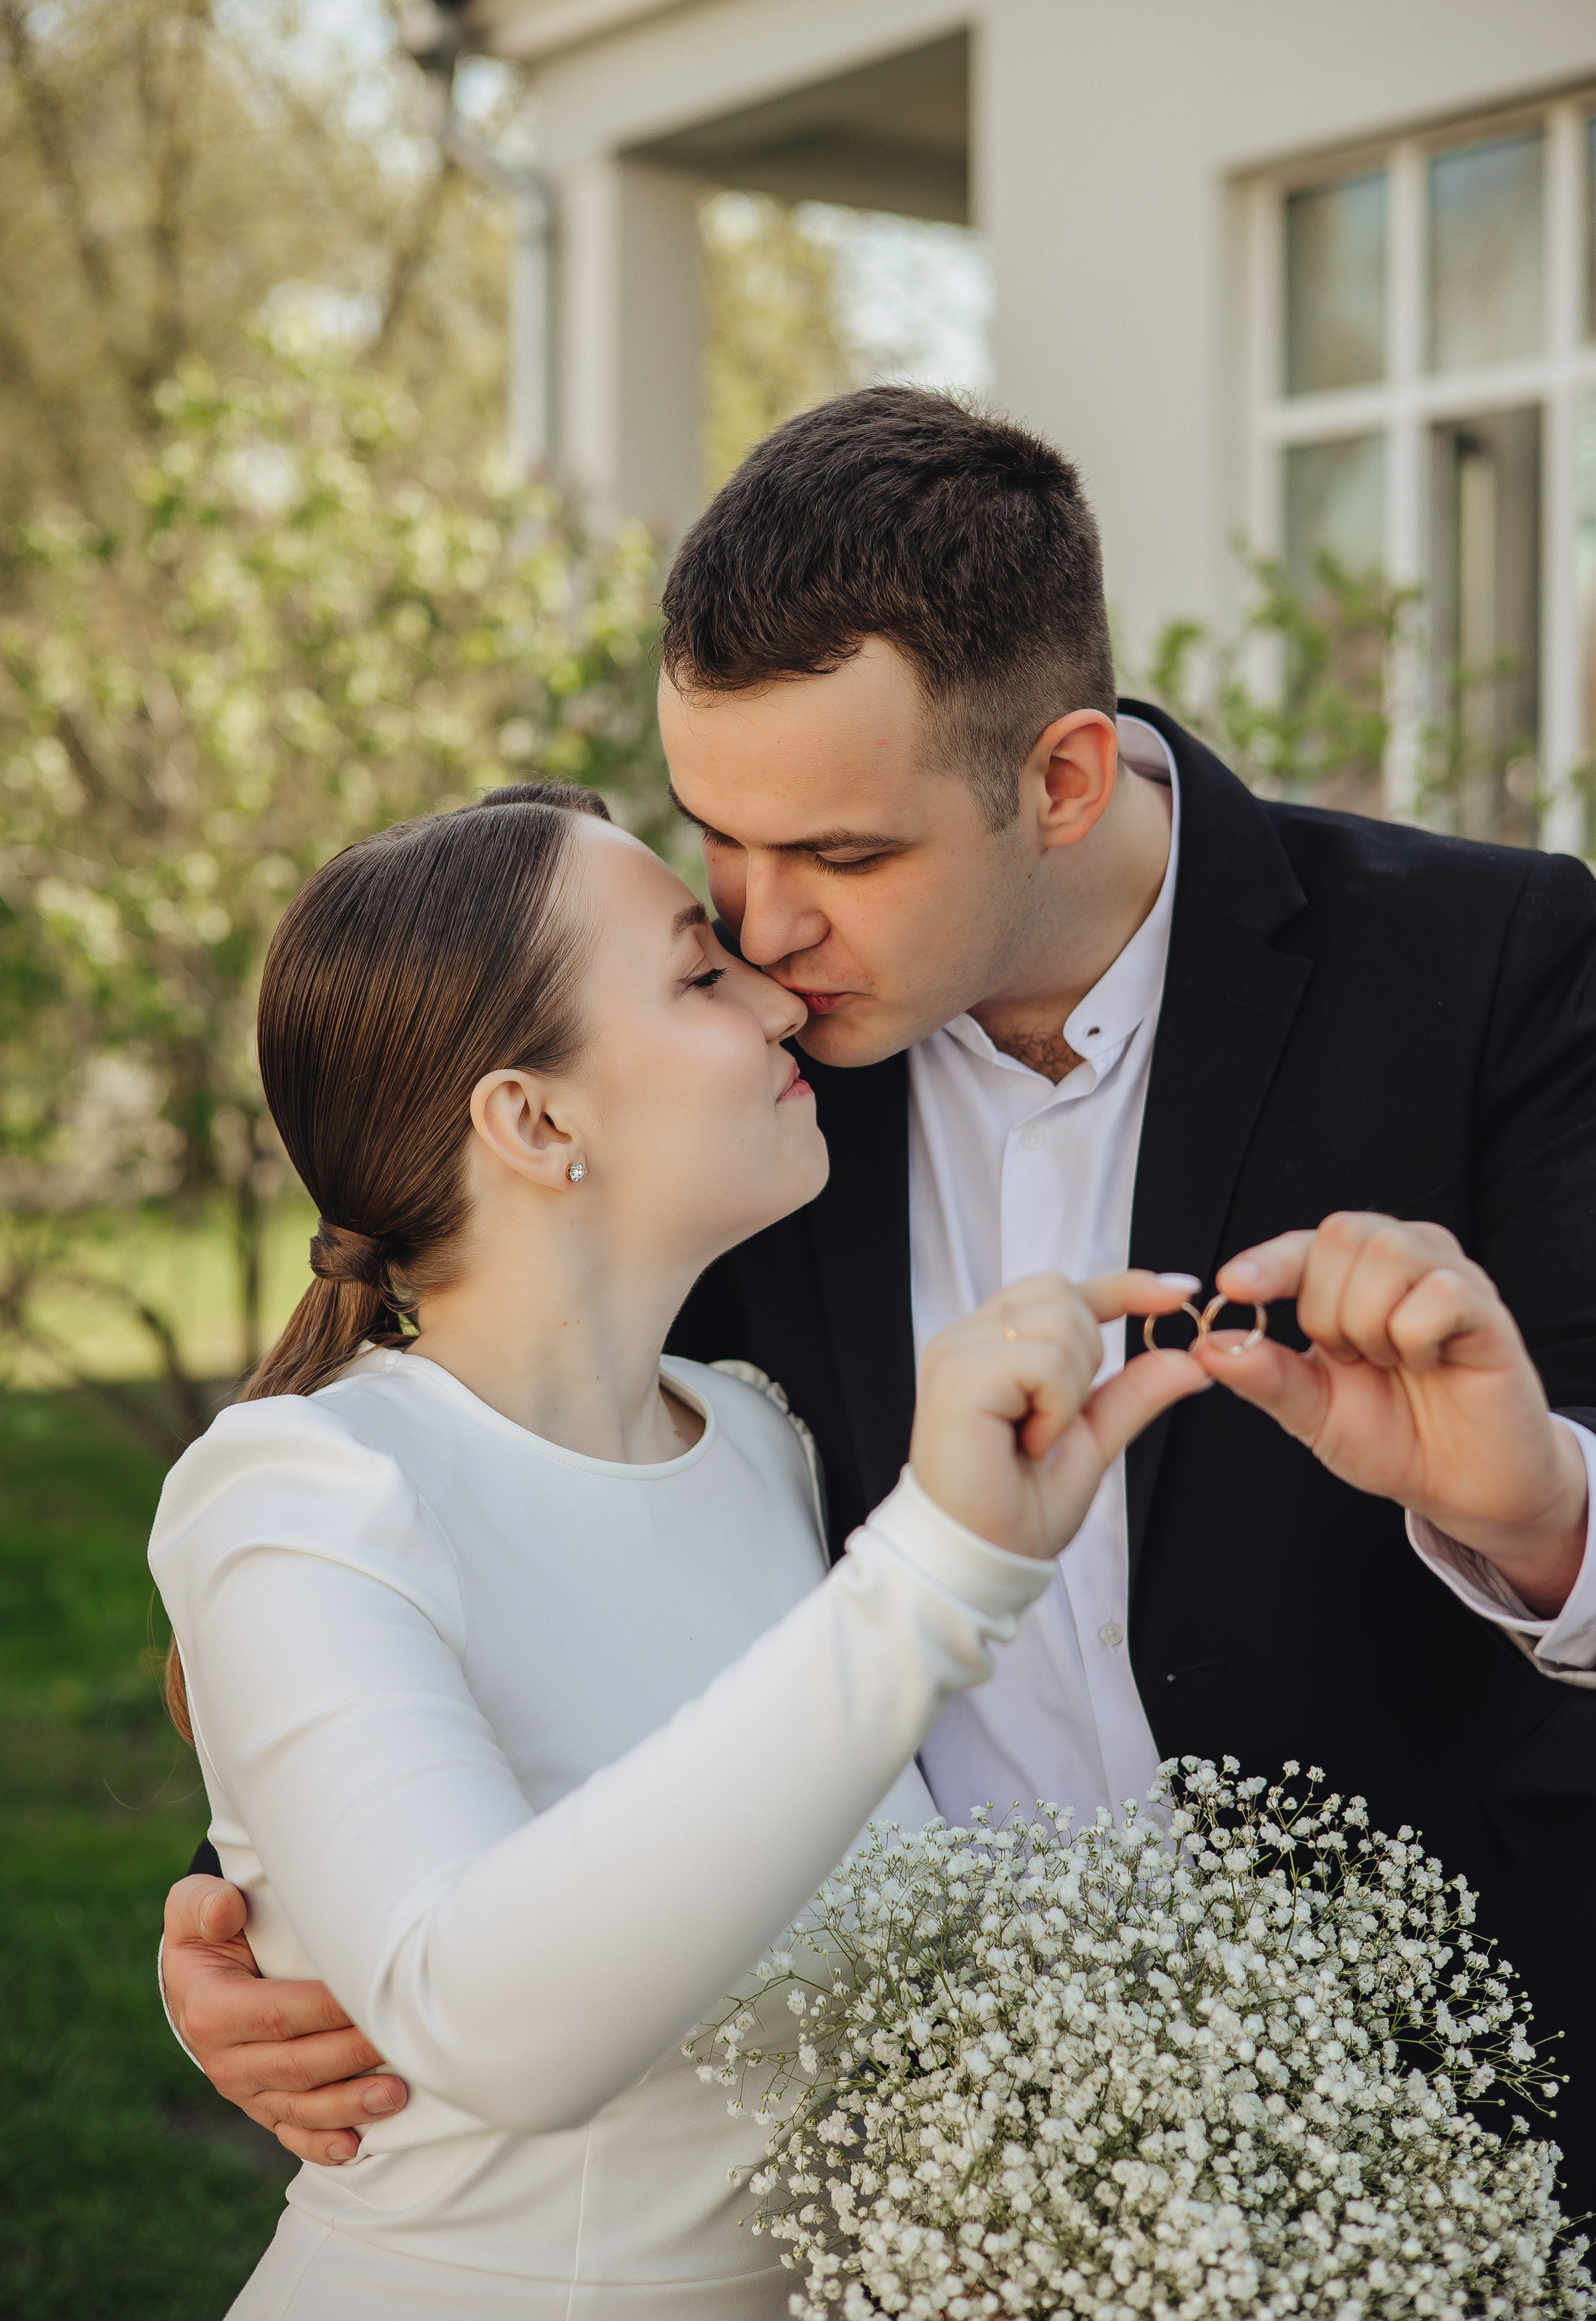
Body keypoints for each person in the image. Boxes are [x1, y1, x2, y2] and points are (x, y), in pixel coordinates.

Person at [161, 390, 1596, 2201]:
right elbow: (503, 1506)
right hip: (899, 2183)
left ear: (1059, 780)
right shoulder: (718, 1091)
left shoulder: (1490, 967)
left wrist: (1541, 1516)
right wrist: (277, 1902)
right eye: (717, 839)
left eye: (841, 856)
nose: (759, 932)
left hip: (1446, 2124)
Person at [148, 776, 1216, 2317]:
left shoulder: (759, 1446)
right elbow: (484, 2018)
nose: (780, 996)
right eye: (702, 973)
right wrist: (933, 1573)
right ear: (532, 1117)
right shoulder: (304, 1492)